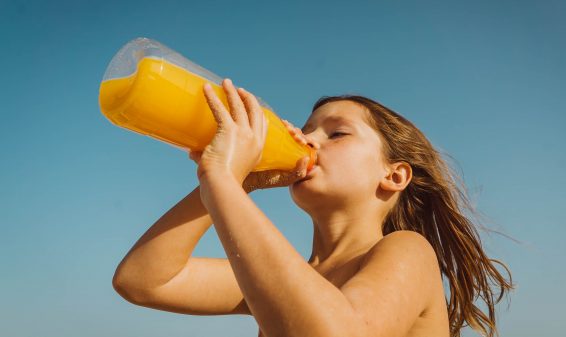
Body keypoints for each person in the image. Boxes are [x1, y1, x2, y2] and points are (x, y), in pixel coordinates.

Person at [112, 78, 514, 337]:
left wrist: (220, 179)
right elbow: (144, 280)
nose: (309, 142)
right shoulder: (291, 278)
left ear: (394, 176)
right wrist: (236, 182)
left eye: (336, 133)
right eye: (305, 132)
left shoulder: (407, 250)